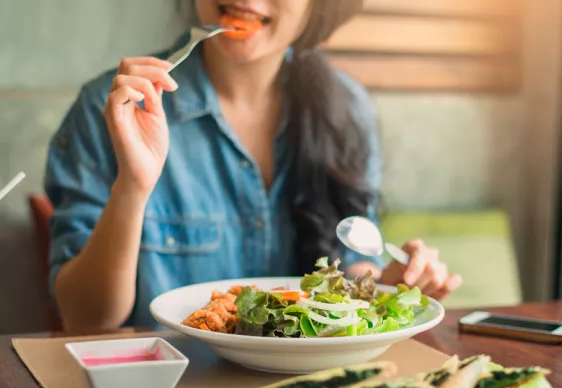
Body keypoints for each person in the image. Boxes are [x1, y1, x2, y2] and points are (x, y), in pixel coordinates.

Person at [44, 0, 462, 333]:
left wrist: (392, 281)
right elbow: (85, 319)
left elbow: (351, 270)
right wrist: (132, 188)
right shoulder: (118, 106)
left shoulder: (346, 109)